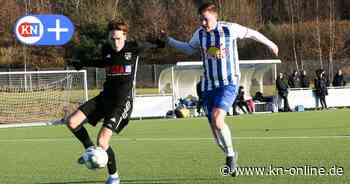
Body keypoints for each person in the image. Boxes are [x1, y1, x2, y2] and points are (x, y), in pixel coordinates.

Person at [161, 2, 278, 176]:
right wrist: (169, 40)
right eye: (201, 19)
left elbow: (252, 34)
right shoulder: (200, 34)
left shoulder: (230, 29)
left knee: (217, 119)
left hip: (228, 83)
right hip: (208, 86)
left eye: (205, 19)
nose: (202, 23)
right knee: (216, 133)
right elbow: (188, 48)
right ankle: (231, 153)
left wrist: (270, 44)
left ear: (215, 17)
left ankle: (230, 156)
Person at [66, 20, 162, 184]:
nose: (115, 42)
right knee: (72, 122)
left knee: (103, 141)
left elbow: (155, 46)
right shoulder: (107, 49)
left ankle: (114, 176)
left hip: (122, 103)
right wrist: (82, 63)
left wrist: (160, 42)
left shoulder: (134, 48)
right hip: (105, 97)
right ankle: (90, 151)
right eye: (112, 39)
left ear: (125, 36)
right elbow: (103, 62)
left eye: (118, 38)